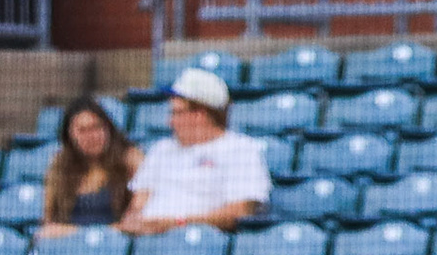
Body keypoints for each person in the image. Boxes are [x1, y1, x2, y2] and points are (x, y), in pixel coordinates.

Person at [117, 69, 271, 236]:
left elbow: (238, 212)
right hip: (148, 241)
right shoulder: (161, 149)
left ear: (201, 114)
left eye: (177, 113)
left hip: (201, 242)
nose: (170, 122)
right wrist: (133, 222)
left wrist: (177, 223)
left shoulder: (241, 149)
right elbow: (138, 202)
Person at [38, 97, 144, 238]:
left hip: (114, 244)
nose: (91, 136)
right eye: (82, 130)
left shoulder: (130, 159)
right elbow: (49, 223)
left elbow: (135, 223)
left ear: (108, 128)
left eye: (96, 127)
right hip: (68, 248)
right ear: (69, 135)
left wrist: (79, 233)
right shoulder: (60, 166)